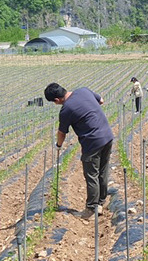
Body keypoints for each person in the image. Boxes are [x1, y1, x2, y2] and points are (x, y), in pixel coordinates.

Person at [44, 83, 114, 219]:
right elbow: (101, 100)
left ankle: (92, 209)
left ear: (57, 100)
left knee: (91, 174)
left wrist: (58, 145)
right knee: (103, 170)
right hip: (107, 136)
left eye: (54, 102)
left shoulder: (66, 110)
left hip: (92, 142)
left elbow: (62, 133)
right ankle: (101, 202)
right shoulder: (83, 90)